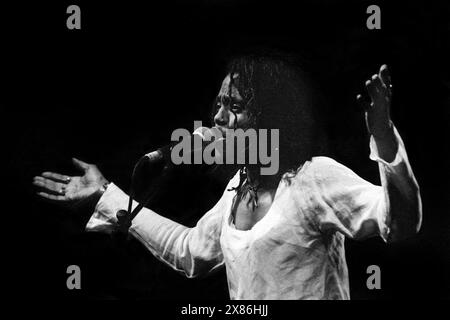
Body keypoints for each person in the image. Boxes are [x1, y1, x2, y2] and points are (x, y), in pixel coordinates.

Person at [33, 54, 422, 299]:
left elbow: (400, 222)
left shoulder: (312, 178)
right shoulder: (238, 188)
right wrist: (106, 194)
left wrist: (384, 139)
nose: (218, 117)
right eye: (218, 103)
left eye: (234, 106)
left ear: (269, 119)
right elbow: (190, 252)